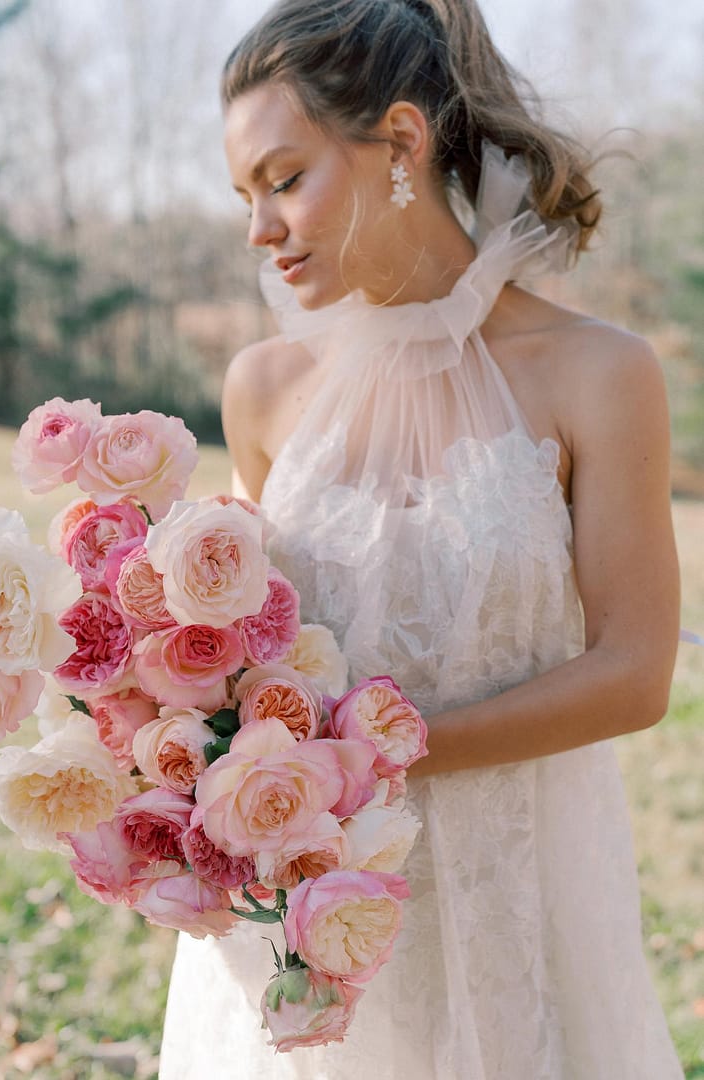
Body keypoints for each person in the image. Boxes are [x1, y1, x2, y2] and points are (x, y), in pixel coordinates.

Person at [159, 0, 683, 1076]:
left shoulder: (599, 372)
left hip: (516, 887)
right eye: (244, 195)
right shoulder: (262, 390)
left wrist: (374, 758)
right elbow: (268, 652)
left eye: (284, 178)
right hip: (313, 907)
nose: (258, 229)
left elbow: (635, 675)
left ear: (400, 141)